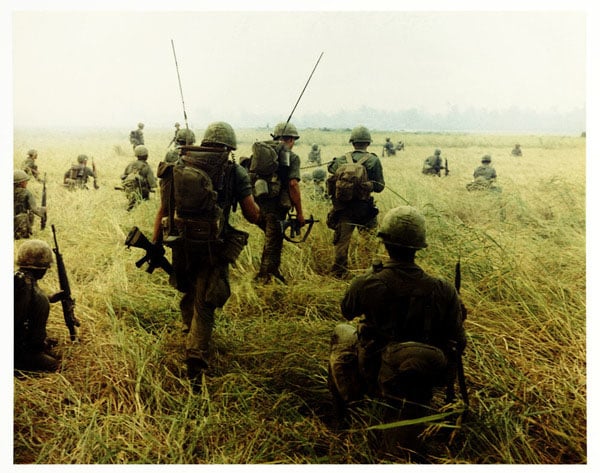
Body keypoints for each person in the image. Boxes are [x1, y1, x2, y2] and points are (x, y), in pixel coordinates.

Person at [328, 206, 467, 453]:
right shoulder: (444, 289)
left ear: (385, 242)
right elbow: (459, 343)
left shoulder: (368, 281)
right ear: (418, 247)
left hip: (375, 369)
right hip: (426, 374)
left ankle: (343, 414)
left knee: (341, 332)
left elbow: (346, 311)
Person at [152, 121, 261, 385]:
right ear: (229, 146)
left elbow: (163, 211)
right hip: (214, 246)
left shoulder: (179, 166)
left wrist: (156, 244)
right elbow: (250, 212)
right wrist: (266, 220)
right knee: (206, 299)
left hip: (180, 242)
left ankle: (190, 333)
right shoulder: (234, 171)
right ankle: (196, 356)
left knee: (190, 289)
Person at [326, 125, 384, 279]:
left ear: (352, 142)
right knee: (370, 241)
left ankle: (338, 273)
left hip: (343, 208)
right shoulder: (373, 160)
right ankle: (371, 273)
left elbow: (331, 170)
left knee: (341, 243)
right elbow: (380, 187)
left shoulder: (342, 159)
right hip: (365, 209)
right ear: (368, 142)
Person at [252, 121, 305, 284]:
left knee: (273, 239)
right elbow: (293, 185)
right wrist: (300, 213)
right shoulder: (292, 157)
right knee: (273, 242)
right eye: (293, 140)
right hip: (276, 207)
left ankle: (271, 273)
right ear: (290, 139)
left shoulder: (263, 153)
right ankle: (264, 279)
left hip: (258, 204)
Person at [14, 239, 66, 372]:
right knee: (58, 366)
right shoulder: (32, 292)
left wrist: (50, 298)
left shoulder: (18, 280)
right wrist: (41, 345)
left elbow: (23, 303)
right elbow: (33, 341)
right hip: (19, 352)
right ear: (42, 269)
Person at [121, 145, 157, 211]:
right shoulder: (147, 167)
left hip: (129, 190)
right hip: (142, 192)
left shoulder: (130, 164)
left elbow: (123, 176)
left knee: (132, 204)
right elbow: (152, 184)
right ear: (146, 156)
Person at [14, 170, 46, 239]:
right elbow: (34, 209)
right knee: (29, 214)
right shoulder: (26, 193)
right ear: (21, 183)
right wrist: (43, 210)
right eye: (26, 181)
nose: (26, 183)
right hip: (19, 226)